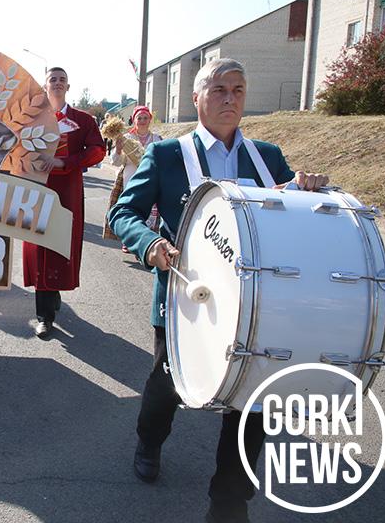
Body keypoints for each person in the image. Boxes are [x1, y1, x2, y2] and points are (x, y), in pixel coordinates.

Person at [108, 58, 328, 523]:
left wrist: (305, 190)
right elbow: (123, 213)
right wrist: (150, 244)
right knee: (168, 384)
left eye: (238, 90)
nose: (230, 98)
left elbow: (292, 216)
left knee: (252, 400)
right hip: (185, 301)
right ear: (197, 97)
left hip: (258, 306)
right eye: (219, 89)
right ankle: (150, 441)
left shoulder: (267, 158)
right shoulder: (167, 155)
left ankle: (229, 501)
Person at [22, 67, 106, 340]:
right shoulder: (31, 117)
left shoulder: (82, 119)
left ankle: (53, 291)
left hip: (66, 191)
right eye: (52, 79)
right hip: (37, 190)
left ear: (68, 87)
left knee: (58, 245)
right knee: (39, 247)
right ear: (45, 85)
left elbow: (97, 151)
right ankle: (44, 316)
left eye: (62, 80)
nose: (57, 83)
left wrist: (65, 162)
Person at [104, 106, 162, 251]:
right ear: (134, 120)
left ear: (150, 120)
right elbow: (115, 161)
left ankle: (145, 244)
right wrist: (118, 150)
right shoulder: (126, 138)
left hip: (150, 180)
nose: (142, 121)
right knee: (131, 210)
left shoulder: (156, 139)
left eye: (145, 118)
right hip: (130, 180)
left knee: (149, 212)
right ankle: (129, 240)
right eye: (139, 118)